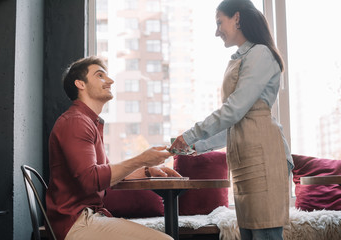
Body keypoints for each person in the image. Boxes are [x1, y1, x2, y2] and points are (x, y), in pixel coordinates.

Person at [170, 0, 294, 239]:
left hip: (264, 160)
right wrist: (194, 145)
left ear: (237, 18)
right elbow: (235, 119)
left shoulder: (260, 53)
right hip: (246, 161)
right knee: (250, 233)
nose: (217, 31)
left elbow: (233, 110)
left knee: (264, 232)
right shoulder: (241, 57)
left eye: (219, 22)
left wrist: (189, 135)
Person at [46, 56, 180, 240]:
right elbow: (91, 180)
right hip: (75, 223)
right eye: (100, 75)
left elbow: (109, 177)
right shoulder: (76, 122)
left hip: (87, 218)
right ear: (80, 84)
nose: (110, 80)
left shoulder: (86, 121)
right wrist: (141, 159)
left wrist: (148, 170)